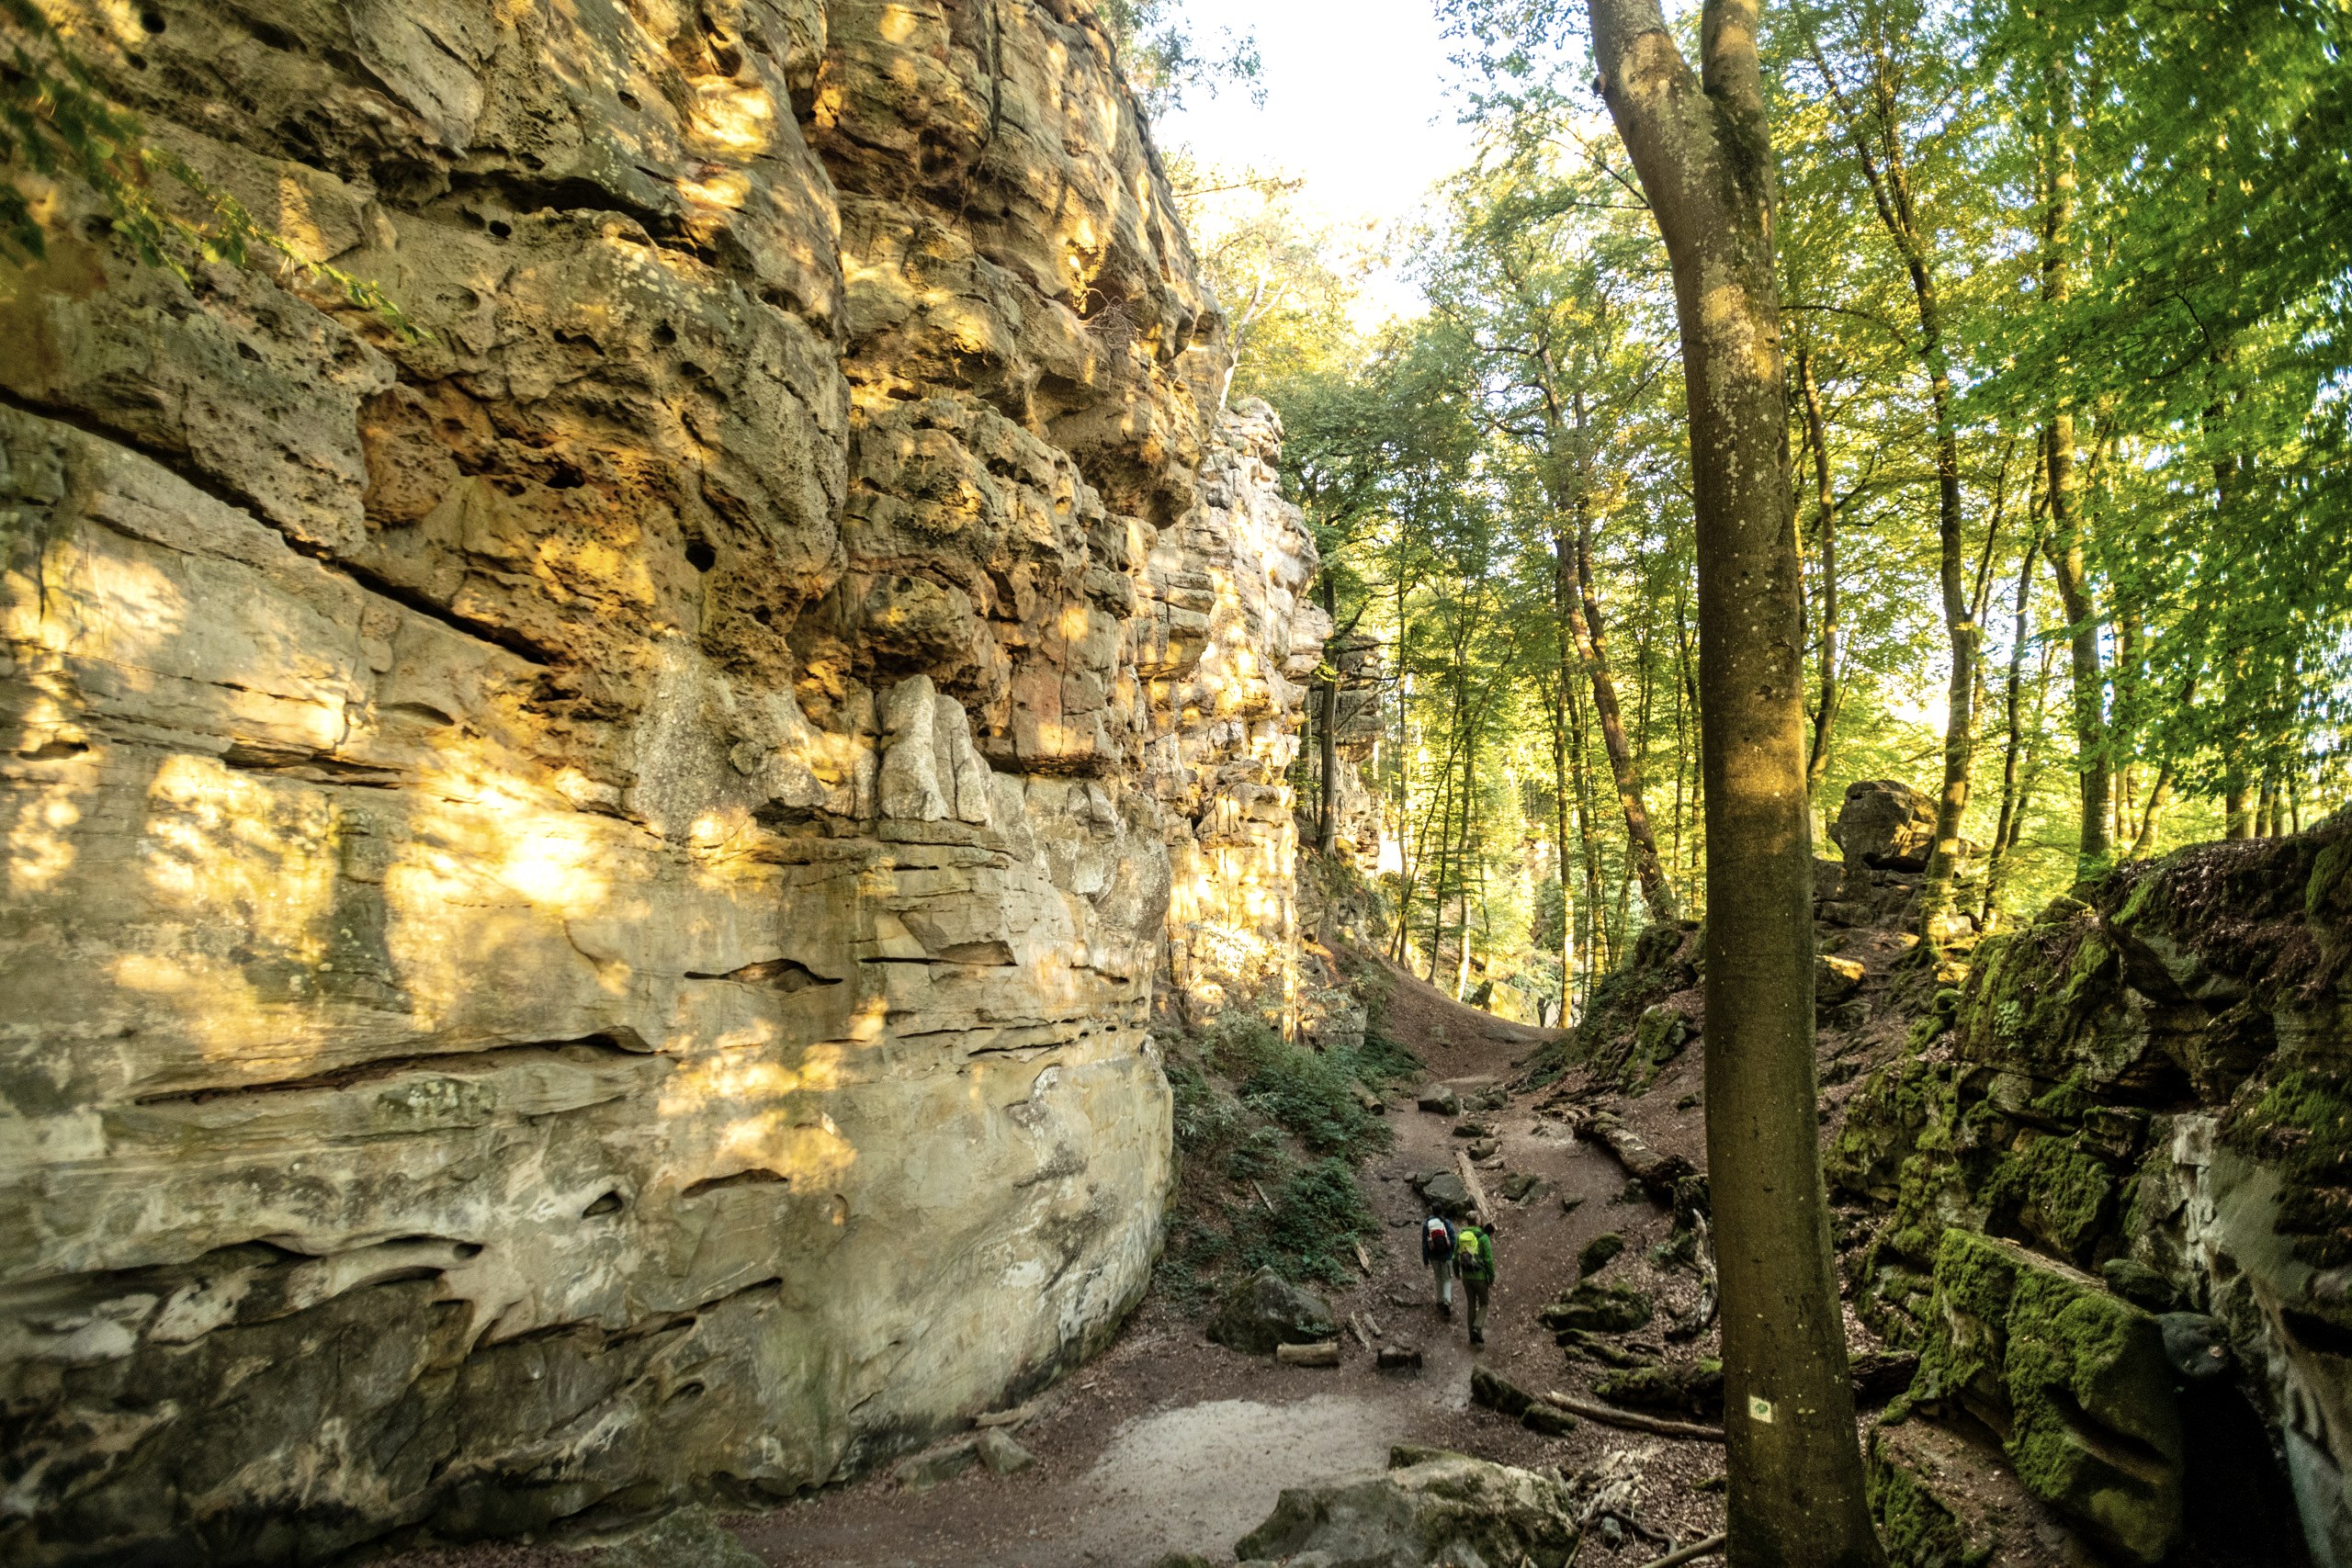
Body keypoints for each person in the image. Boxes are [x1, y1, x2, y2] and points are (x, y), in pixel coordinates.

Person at [1455, 1221, 1497, 1346]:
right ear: (1477, 1222)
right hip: (1480, 1277)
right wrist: (1491, 1278)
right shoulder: (1483, 1238)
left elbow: (1454, 1257)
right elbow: (1488, 1260)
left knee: (1471, 1305)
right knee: (1484, 1303)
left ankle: (1472, 1337)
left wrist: (1457, 1273)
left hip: (1466, 1277)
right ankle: (1477, 1327)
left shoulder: (1461, 1236)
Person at [1421, 1212, 1457, 1317]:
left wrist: (1426, 1260)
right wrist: (1454, 1253)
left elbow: (1424, 1244)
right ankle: (1447, 1301)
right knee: (1447, 1279)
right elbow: (1453, 1239)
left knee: (1438, 1277)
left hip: (1433, 1256)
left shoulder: (1426, 1224)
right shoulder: (1446, 1222)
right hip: (1446, 1256)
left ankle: (1440, 1300)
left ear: (1432, 1211)